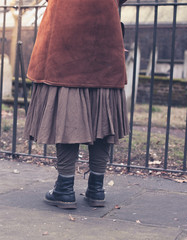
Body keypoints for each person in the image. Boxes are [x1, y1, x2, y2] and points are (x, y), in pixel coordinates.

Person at [24, 0, 129, 209]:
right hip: (104, 30)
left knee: (67, 103)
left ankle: (64, 188)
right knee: (103, 110)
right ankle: (97, 188)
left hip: (65, 32)